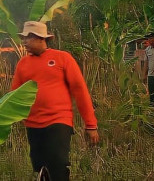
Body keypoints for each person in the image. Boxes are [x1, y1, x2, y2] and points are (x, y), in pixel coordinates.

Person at [12, 21, 99, 181]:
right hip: (33, 124)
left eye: (28, 37)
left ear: (41, 38)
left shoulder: (62, 58)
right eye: (23, 38)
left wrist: (90, 124)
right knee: (40, 169)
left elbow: (80, 91)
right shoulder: (22, 64)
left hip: (58, 121)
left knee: (57, 165)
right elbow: (13, 96)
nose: (24, 42)